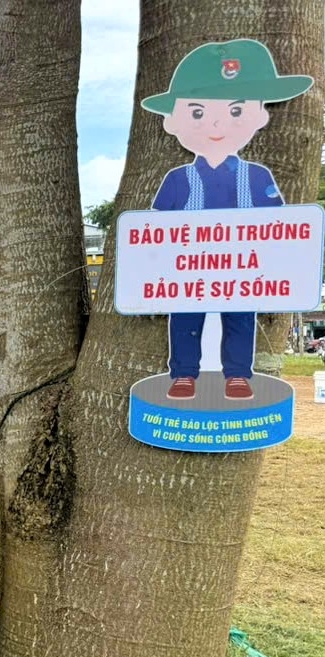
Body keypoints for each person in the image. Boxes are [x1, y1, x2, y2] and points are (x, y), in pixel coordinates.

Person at [143, 39, 313, 401]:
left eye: (236, 111)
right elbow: (153, 235)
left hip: (243, 271)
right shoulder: (178, 180)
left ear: (259, 116)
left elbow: (280, 230)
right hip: (188, 272)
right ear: (174, 122)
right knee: (186, 318)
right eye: (199, 112)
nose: (217, 123)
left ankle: (237, 373)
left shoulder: (257, 178)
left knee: (240, 317)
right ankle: (184, 373)